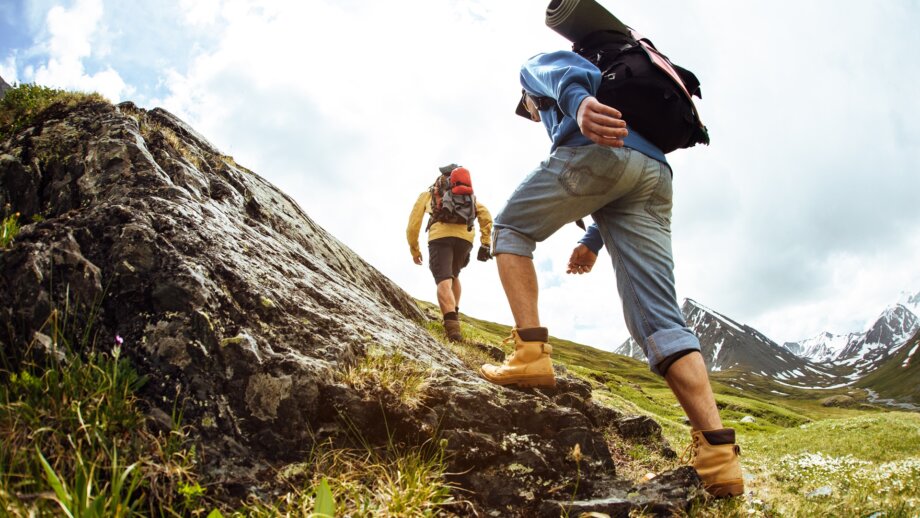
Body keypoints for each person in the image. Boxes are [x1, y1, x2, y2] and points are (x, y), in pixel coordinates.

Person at [478, 23, 743, 497]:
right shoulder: (629, 86)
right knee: (661, 319)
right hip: (654, 174)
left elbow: (552, 74)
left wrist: (578, 108)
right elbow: (623, 179)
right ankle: (719, 457)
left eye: (529, 108)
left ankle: (530, 355)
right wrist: (593, 241)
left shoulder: (546, 70)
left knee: (511, 229)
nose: (532, 112)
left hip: (599, 151)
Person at [407, 164, 493, 342]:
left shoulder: (429, 194)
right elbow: (485, 215)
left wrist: (414, 248)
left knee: (443, 281)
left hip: (440, 237)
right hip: (465, 239)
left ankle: (453, 331)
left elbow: (413, 224)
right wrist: (485, 243)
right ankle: (454, 313)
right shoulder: (468, 196)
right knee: (454, 275)